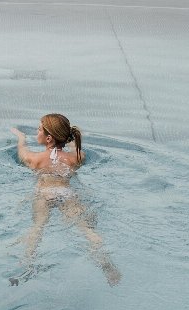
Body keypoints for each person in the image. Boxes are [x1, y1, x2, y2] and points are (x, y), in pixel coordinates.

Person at [10, 114, 120, 285]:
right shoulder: (76, 158)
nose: (36, 131)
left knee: (37, 227)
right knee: (88, 231)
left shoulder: (35, 159)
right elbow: (75, 146)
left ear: (48, 138)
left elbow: (21, 150)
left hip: (44, 193)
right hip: (66, 193)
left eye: (39, 129)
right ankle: (108, 266)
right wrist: (67, 138)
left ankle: (27, 265)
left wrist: (20, 137)